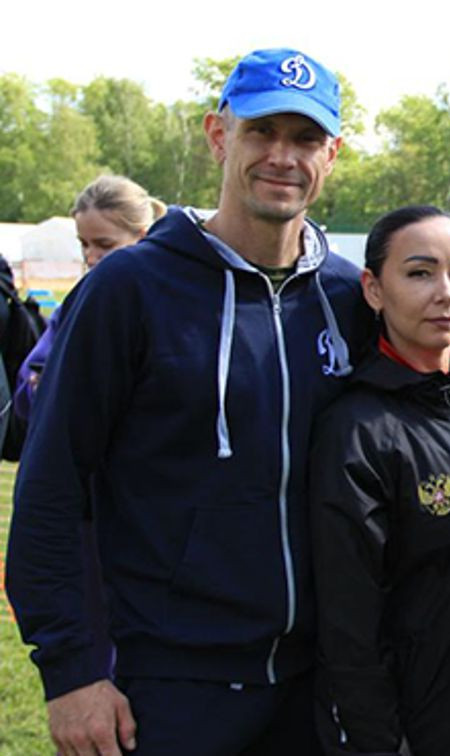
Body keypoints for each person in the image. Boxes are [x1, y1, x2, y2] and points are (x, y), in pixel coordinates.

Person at [6, 48, 373, 755]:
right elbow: (52, 485)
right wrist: (72, 671)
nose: (282, 157)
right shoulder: (129, 290)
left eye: (304, 139)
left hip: (320, 689)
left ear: (332, 154)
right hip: (168, 688)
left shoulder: (349, 297)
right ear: (217, 136)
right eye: (261, 132)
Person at [310, 205, 450, 755]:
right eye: (419, 273)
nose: (446, 292)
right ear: (373, 289)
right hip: (436, 729)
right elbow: (350, 626)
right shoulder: (358, 431)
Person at [14, 174, 167, 421]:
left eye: (104, 245)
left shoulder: (171, 300)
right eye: (84, 244)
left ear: (143, 236)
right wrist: (41, 387)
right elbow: (28, 388)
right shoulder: (78, 302)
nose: (91, 256)